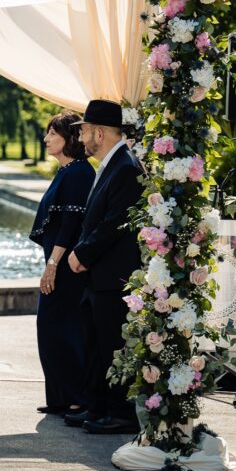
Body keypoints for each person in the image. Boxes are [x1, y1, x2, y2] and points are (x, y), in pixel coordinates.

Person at [65, 99, 144, 435]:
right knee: (97, 345)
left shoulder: (126, 167)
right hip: (101, 276)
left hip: (114, 276)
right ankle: (98, 406)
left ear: (98, 131)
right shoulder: (111, 164)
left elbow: (115, 223)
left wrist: (82, 253)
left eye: (83, 131)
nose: (81, 139)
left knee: (114, 346)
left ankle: (121, 413)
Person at [28, 112, 95, 416]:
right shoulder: (67, 170)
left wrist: (53, 264)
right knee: (51, 328)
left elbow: (71, 224)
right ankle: (59, 397)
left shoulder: (79, 173)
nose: (46, 139)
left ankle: (76, 397)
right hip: (57, 262)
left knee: (62, 329)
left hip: (66, 267)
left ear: (69, 138)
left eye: (52, 133)